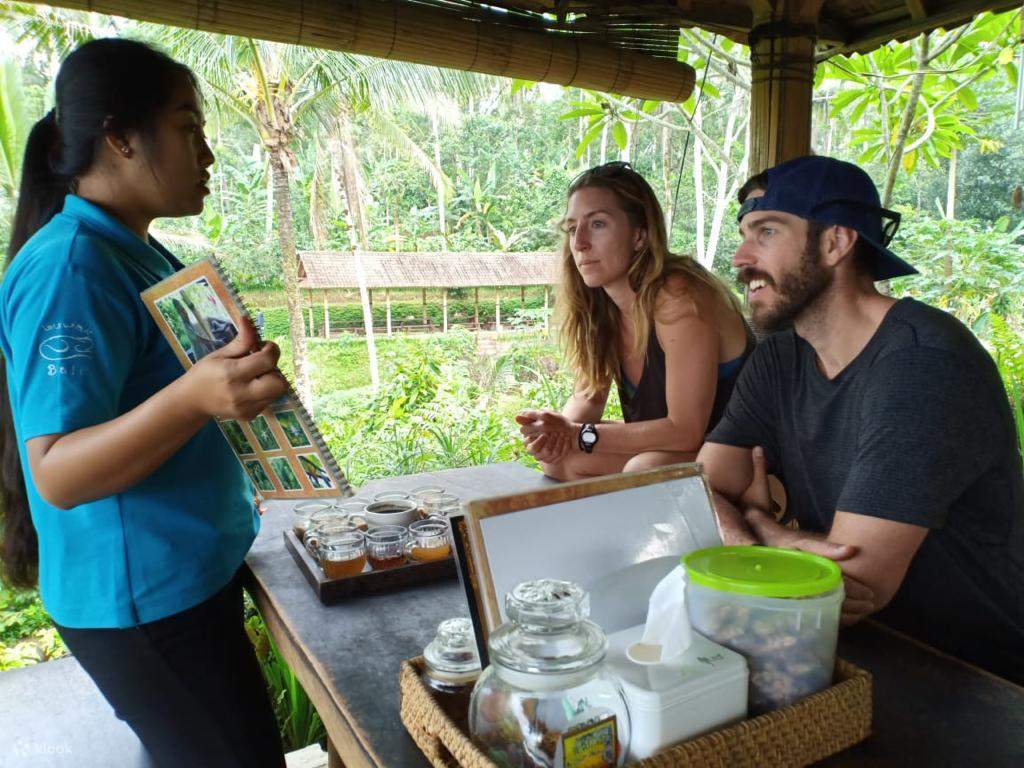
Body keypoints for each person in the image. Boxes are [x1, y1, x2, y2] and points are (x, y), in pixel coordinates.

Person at [0, 39, 288, 765]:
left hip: (183, 579)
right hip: (142, 603)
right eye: (188, 127)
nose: (208, 152)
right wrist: (196, 397)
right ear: (122, 137)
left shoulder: (137, 251)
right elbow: (58, 472)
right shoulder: (72, 266)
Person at [697, 155, 1024, 684]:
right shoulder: (782, 355)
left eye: (767, 231)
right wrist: (752, 542)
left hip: (971, 675)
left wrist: (760, 524)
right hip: (841, 649)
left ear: (835, 243)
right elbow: (695, 488)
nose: (740, 256)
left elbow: (846, 585)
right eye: (744, 234)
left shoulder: (924, 363)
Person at [516, 162, 755, 480]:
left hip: (741, 454)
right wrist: (552, 434)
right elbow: (587, 400)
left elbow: (686, 430)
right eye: (573, 229)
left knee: (641, 469)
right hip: (679, 451)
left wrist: (576, 434)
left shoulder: (678, 294)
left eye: (597, 224)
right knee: (559, 461)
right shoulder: (602, 308)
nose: (580, 243)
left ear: (639, 235)